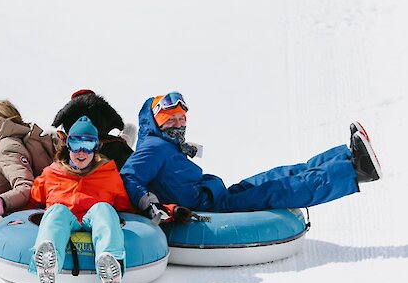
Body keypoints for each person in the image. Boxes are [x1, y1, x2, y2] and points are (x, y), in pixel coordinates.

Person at [120, 92, 382, 219]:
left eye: (181, 118)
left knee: (277, 175)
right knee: (279, 189)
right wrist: (148, 202)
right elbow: (129, 176)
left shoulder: (166, 144)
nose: (178, 124)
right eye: (171, 120)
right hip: (209, 208)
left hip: (215, 195)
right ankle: (356, 171)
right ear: (158, 123)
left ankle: (346, 155)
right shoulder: (153, 148)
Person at [28, 115, 135, 283]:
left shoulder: (108, 174)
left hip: (94, 221)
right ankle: (48, 261)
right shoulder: (51, 174)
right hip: (64, 220)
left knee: (104, 208)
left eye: (88, 145)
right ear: (68, 145)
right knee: (56, 211)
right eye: (76, 144)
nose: (81, 152)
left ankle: (110, 261)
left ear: (96, 148)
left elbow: (126, 209)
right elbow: (33, 203)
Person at [52, 89, 134, 170]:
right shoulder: (113, 144)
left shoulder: (64, 143)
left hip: (69, 162)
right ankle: (125, 140)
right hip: (109, 154)